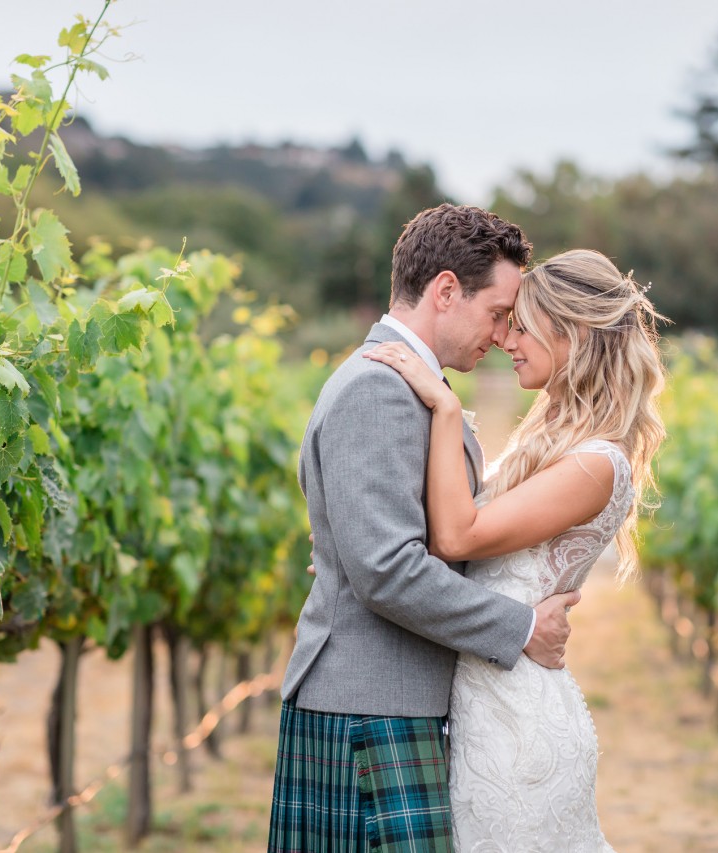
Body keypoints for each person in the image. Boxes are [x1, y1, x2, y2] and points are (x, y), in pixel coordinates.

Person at [269, 204, 581, 852]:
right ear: (445, 290)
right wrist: (521, 628)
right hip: (367, 709)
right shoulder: (377, 389)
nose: (501, 334)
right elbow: (387, 569)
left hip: (388, 703)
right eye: (497, 312)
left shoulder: (411, 386)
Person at [363, 248, 666, 850]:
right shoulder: (556, 439)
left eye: (521, 324)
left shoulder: (596, 462)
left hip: (518, 729)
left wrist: (446, 408)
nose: (506, 338)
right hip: (487, 703)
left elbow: (459, 536)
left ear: (573, 333)